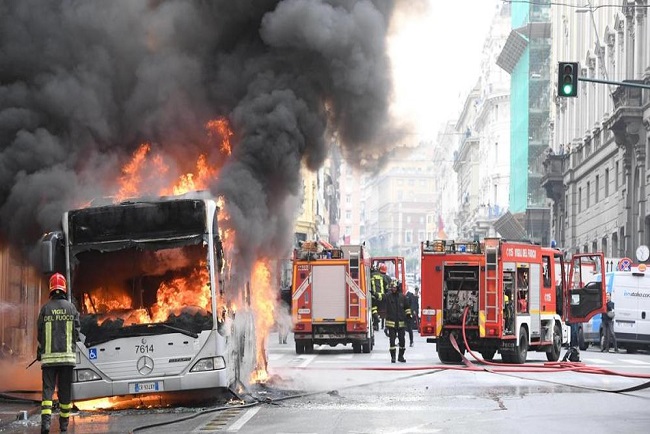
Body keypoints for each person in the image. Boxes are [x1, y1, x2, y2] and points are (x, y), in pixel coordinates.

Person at [37, 273, 80, 434]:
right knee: (64, 392)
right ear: (64, 288)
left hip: (49, 360)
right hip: (67, 359)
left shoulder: (45, 309)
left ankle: (46, 426)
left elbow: (39, 333)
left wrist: (41, 350)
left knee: (47, 392)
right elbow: (76, 331)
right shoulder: (71, 308)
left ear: (51, 288)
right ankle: (63, 427)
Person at [385, 280, 412, 363]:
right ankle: (393, 357)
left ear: (397, 287)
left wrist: (408, 315)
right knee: (392, 341)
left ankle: (401, 356)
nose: (393, 289)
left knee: (402, 341)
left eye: (394, 287)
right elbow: (381, 297)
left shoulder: (402, 297)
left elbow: (407, 307)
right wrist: (375, 294)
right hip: (391, 323)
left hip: (401, 323)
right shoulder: (388, 296)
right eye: (392, 287)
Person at [370, 263, 390, 331]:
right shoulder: (386, 277)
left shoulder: (371, 275)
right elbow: (388, 288)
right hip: (382, 297)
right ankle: (384, 325)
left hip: (374, 296)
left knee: (373, 307)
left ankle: (376, 317)